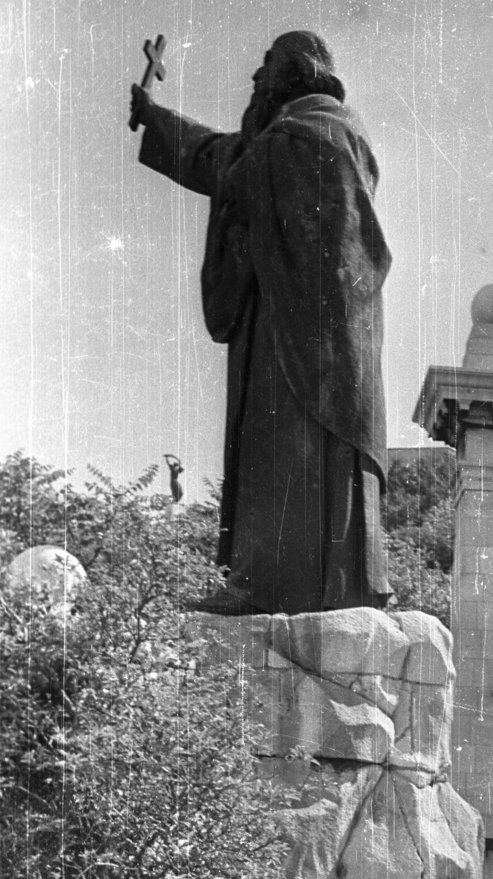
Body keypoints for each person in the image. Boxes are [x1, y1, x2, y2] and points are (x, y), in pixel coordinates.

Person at [129, 31, 391, 615]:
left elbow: (240, 168)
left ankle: (278, 586)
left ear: (294, 72)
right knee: (264, 448)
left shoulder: (323, 129)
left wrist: (233, 166)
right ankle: (260, 579)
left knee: (289, 449)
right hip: (276, 319)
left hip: (311, 341)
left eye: (266, 63)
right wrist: (158, 120)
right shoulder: (283, 138)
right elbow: (228, 160)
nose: (255, 75)